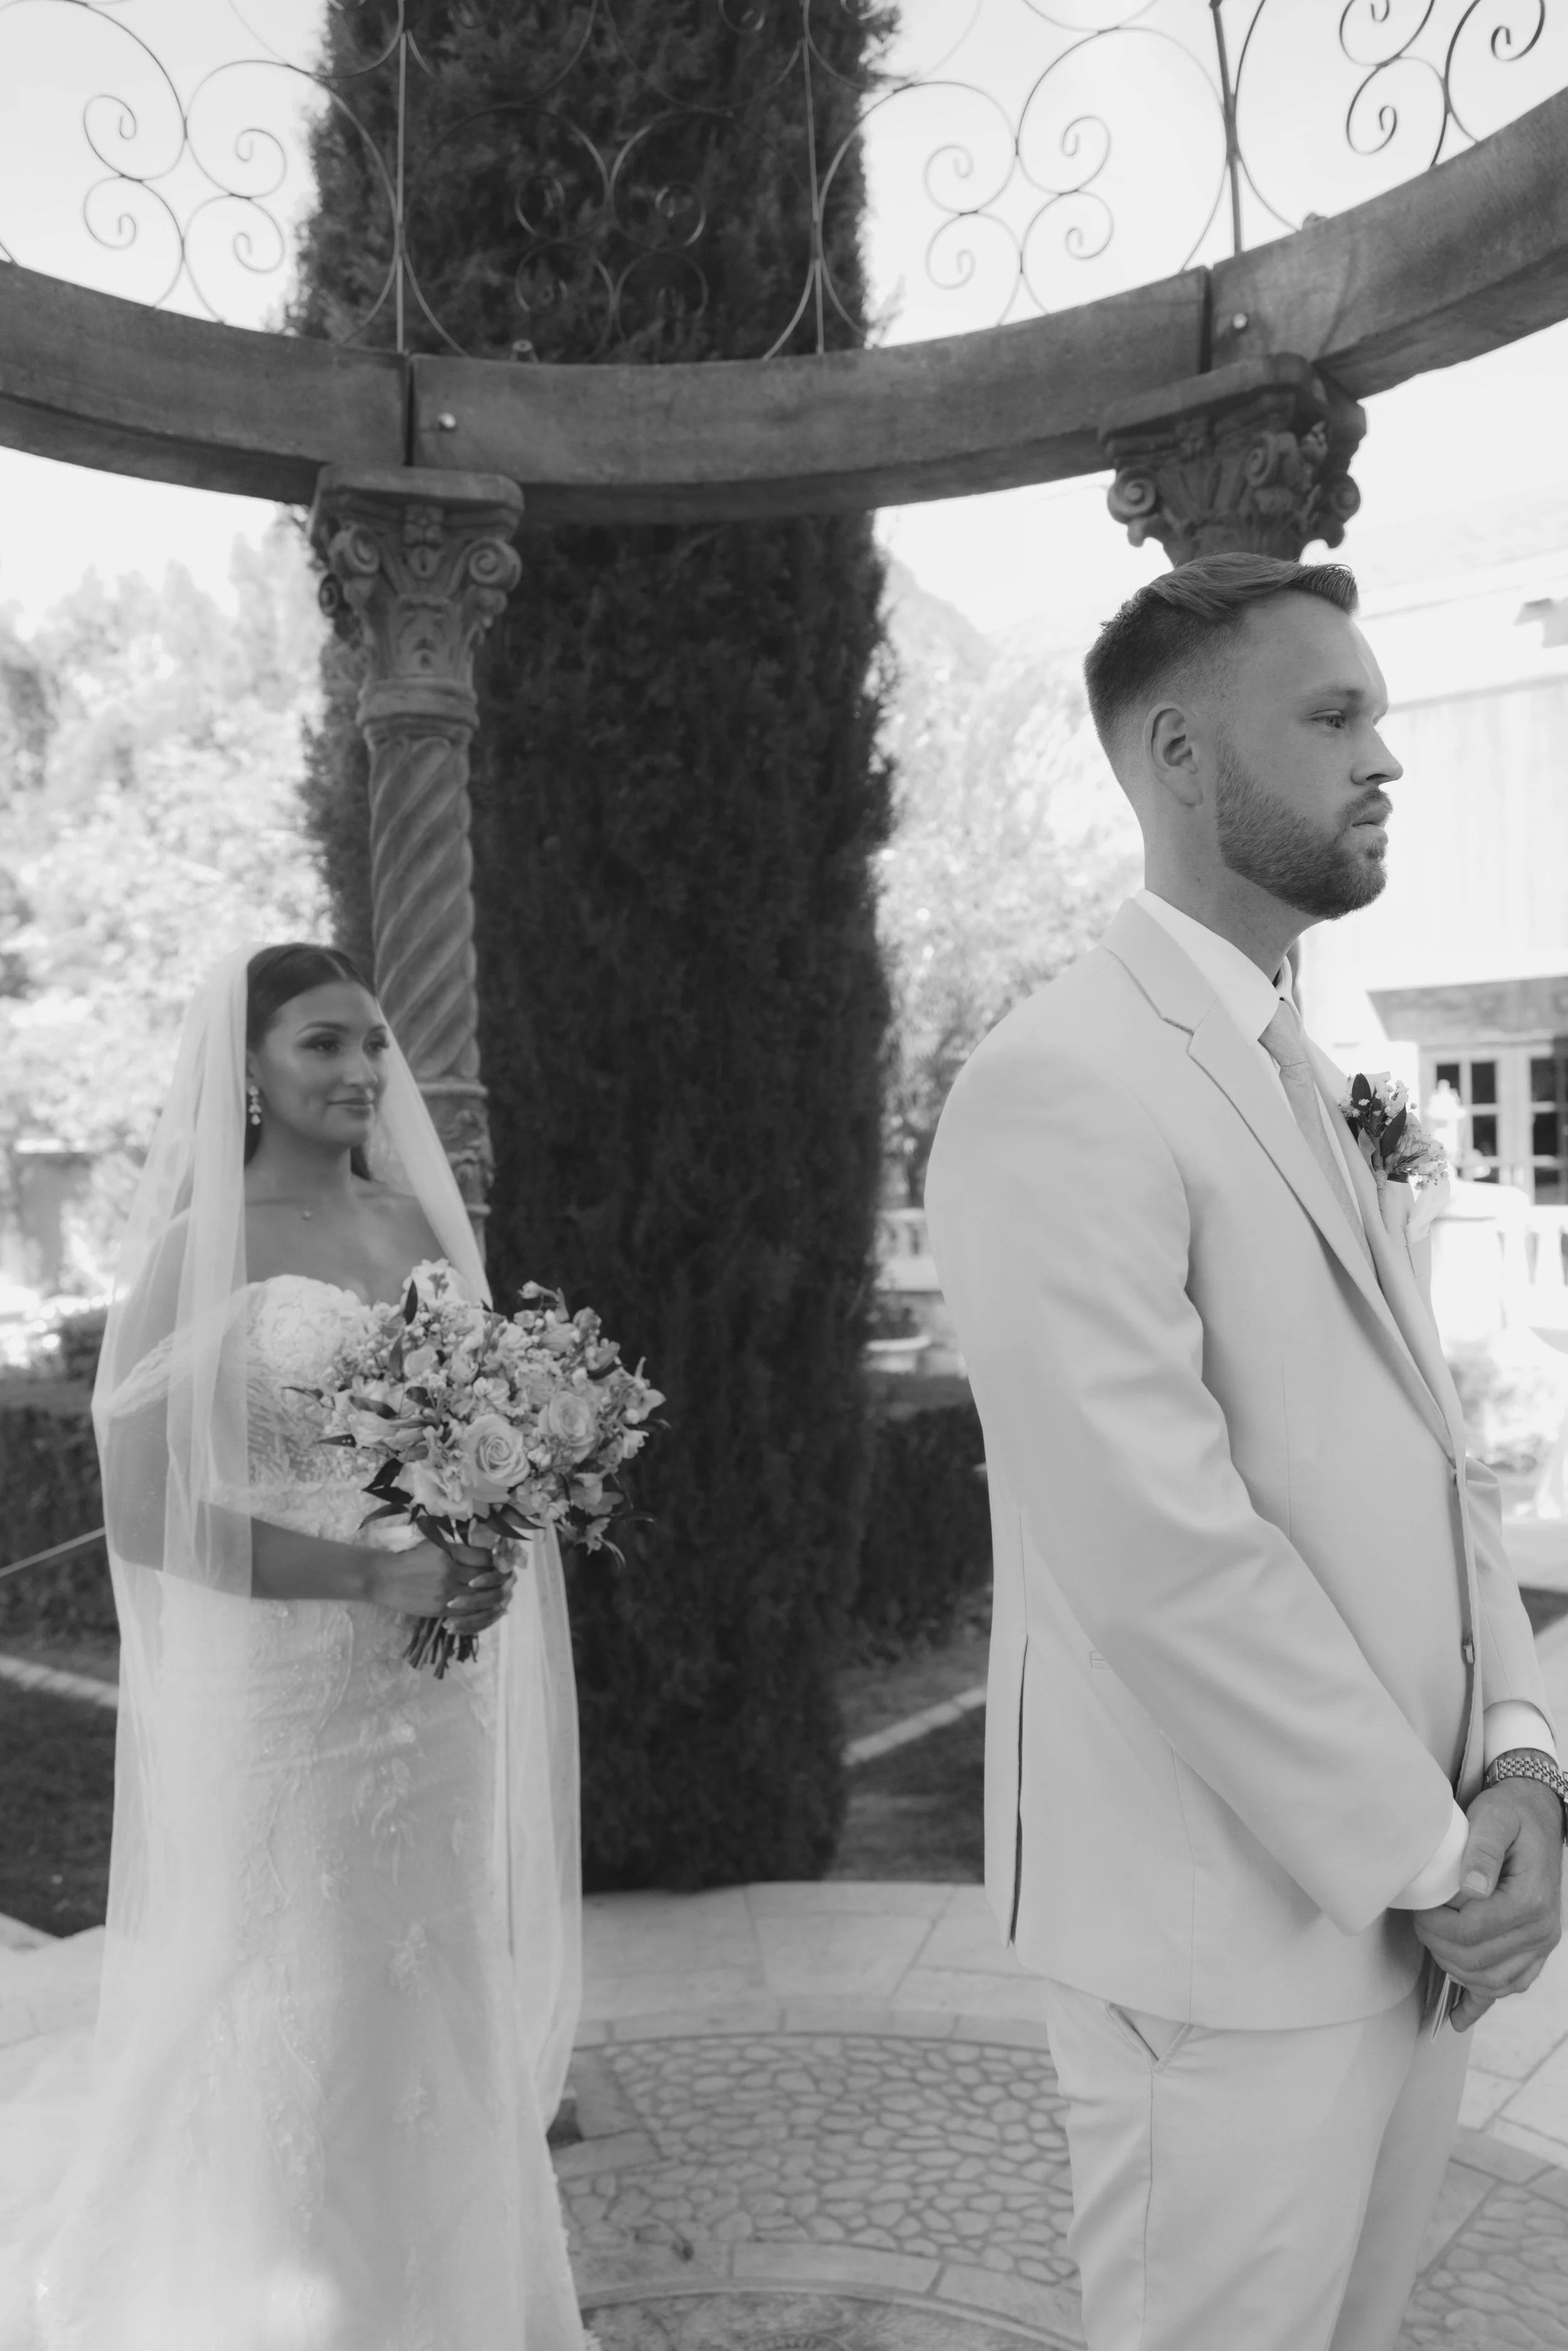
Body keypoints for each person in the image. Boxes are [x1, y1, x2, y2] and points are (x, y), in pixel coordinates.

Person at [924, 555, 1567, 2351]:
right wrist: (1431, 1857)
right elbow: (1159, 1549)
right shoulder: (1057, 1079)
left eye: (1378, 714)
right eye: (1335, 714)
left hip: (1409, 1905)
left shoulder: (1328, 1066)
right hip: (1218, 1933)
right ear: (1184, 753)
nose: (1386, 758)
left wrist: (1521, 1765)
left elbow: (1435, 1464)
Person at [0, 942, 590, 2350]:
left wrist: (479, 1549)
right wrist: (370, 1572)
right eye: (323, 1043)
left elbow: (474, 1434)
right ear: (249, 1068)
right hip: (287, 1693)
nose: (359, 1072)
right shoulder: (200, 1248)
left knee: (434, 1969)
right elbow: (145, 1511)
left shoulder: (416, 1231)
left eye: (372, 1045)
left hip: (437, 1695)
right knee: (300, 1977)